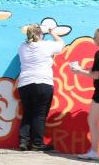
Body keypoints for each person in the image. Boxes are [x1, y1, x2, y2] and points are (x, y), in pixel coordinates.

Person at [15, 23, 64, 152]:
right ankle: (37, 143)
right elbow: (61, 44)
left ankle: (23, 142)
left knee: (27, 112)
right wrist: (52, 32)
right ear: (40, 34)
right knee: (39, 115)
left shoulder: (21, 47)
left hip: (24, 83)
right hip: (43, 82)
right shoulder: (46, 45)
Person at [68, 27, 99, 161]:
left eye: (95, 36)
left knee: (92, 121)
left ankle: (94, 151)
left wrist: (78, 72)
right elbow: (97, 70)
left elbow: (96, 74)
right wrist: (82, 68)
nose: (93, 39)